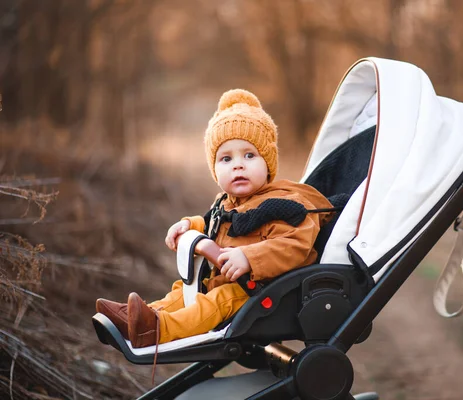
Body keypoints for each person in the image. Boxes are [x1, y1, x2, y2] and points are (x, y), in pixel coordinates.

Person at [95, 89, 332, 348]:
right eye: (226, 158)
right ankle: (139, 318)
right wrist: (190, 225)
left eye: (249, 155)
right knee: (183, 292)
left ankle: (158, 330)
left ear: (268, 163)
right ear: (215, 169)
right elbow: (213, 223)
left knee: (215, 302)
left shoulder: (284, 204)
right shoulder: (227, 203)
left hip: (262, 291)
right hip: (228, 281)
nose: (238, 165)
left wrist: (250, 258)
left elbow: (294, 245)